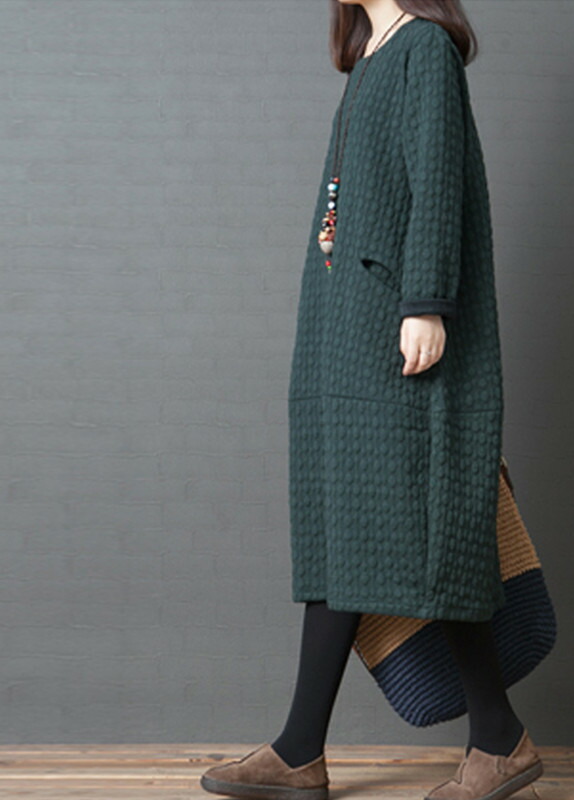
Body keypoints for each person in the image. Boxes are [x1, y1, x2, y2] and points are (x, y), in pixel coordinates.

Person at [201, 2, 543, 799]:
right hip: (347, 331)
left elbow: (438, 180)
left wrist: (426, 302)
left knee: (422, 523)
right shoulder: (372, 57)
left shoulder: (425, 50)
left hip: (396, 323)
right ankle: (309, 748)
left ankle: (495, 737)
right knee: (345, 520)